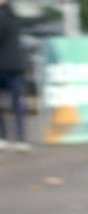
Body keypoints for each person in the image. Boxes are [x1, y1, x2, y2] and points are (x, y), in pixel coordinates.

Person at [0, 0, 29, 151]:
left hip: (3, 65)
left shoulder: (5, 17)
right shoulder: (15, 15)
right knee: (18, 103)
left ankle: (3, 137)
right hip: (17, 65)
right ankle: (21, 139)